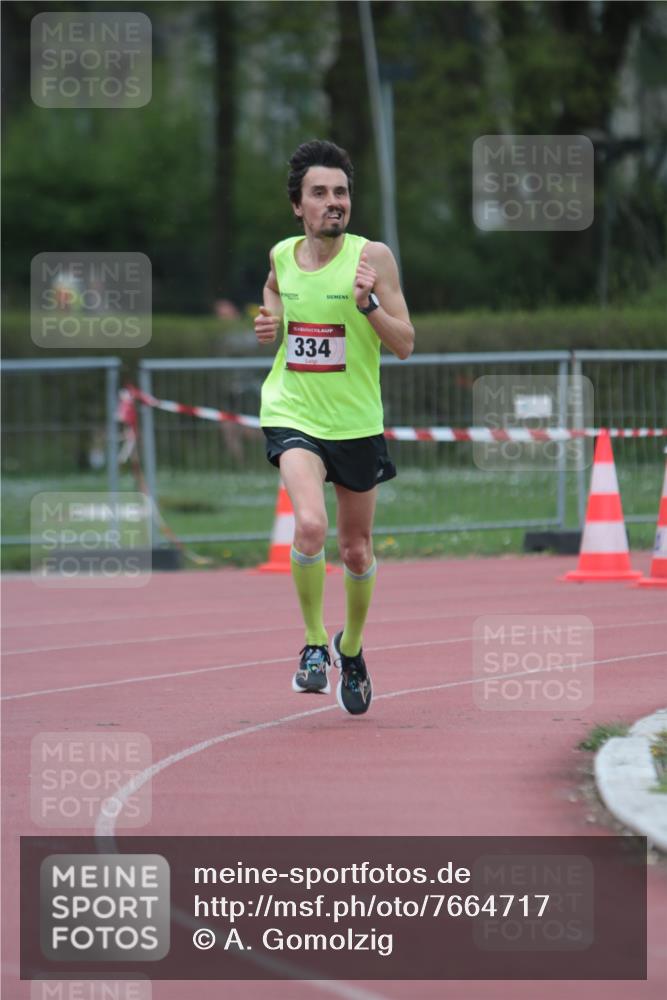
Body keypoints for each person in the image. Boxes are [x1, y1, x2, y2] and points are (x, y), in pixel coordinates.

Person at [254, 139, 414, 716]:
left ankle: (352, 647)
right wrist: (270, 317)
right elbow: (274, 288)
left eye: (340, 192)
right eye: (319, 193)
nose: (333, 202)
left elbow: (405, 345)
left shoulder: (374, 258)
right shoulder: (281, 255)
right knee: (310, 526)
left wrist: (369, 306)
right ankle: (314, 644)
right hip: (292, 411)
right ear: (297, 205)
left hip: (355, 423)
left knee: (354, 548)